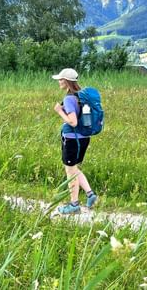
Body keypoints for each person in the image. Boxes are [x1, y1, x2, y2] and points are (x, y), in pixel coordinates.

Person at [52, 68, 97, 214]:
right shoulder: (81, 96)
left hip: (73, 140)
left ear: (66, 81)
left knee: (70, 172)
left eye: (60, 79)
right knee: (74, 169)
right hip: (83, 138)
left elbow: (73, 122)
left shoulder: (69, 98)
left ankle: (74, 205)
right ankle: (91, 195)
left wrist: (59, 111)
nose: (59, 82)